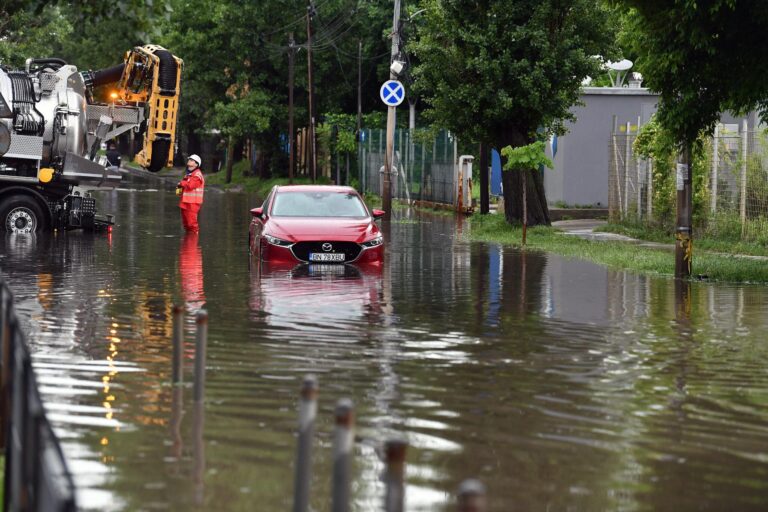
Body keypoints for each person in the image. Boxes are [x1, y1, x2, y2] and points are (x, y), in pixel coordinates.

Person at [177, 154, 205, 233]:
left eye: (191, 160)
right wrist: (179, 187)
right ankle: (188, 243)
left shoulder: (197, 175)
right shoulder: (188, 174)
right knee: (186, 224)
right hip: (185, 202)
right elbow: (184, 187)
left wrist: (181, 183)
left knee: (192, 224)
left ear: (196, 164)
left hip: (192, 203)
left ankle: (193, 242)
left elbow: (190, 186)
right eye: (189, 159)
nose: (189, 161)